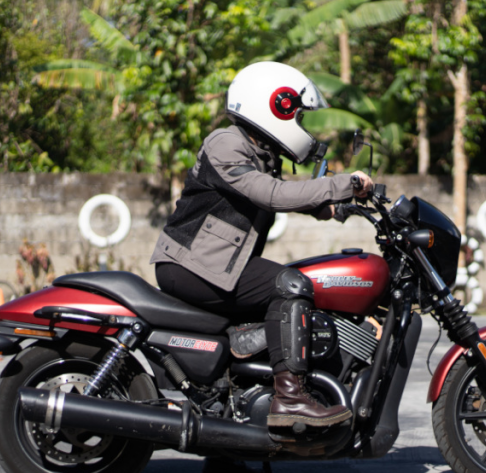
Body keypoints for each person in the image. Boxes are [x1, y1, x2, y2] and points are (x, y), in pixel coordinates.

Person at [150, 61, 373, 436]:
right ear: (276, 106)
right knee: (291, 286)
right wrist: (342, 184)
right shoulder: (225, 143)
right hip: (189, 266)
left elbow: (284, 195)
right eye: (298, 116)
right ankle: (290, 398)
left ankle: (229, 433)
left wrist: (337, 209)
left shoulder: (260, 153)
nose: (301, 127)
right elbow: (271, 194)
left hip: (212, 265)